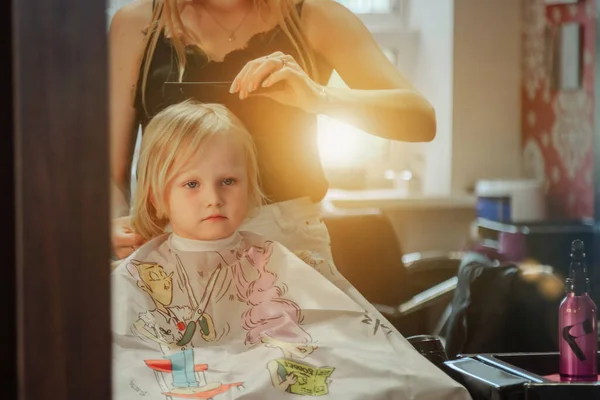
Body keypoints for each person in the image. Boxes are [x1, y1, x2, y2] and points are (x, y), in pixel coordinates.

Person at [111, 100, 470, 399]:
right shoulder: (140, 271)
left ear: (249, 188)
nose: (213, 198)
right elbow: (125, 350)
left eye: (228, 181)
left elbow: (338, 335)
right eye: (192, 183)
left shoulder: (271, 258)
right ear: (158, 197)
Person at [109, 0, 437, 259]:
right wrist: (115, 226)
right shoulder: (136, 25)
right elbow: (112, 172)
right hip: (173, 250)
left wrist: (318, 96)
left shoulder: (317, 16)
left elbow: (421, 120)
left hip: (288, 253)